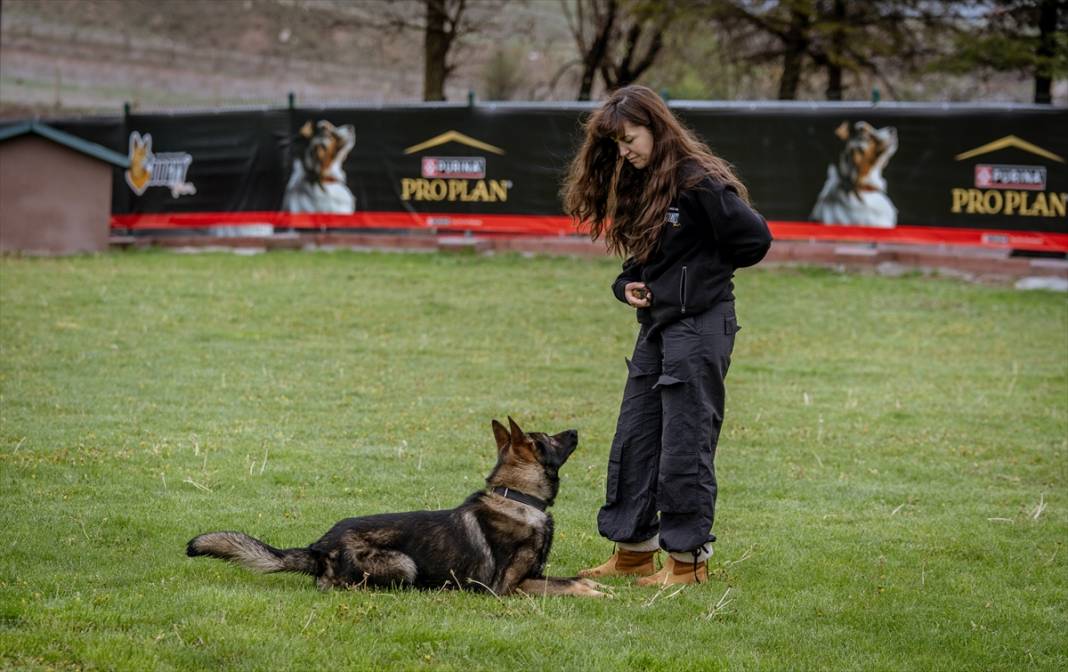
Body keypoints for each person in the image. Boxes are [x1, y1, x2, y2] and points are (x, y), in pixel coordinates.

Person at [562, 85, 772, 586]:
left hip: (700, 326)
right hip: (657, 325)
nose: (623, 152)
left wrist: (694, 280)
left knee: (685, 440)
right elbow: (649, 257)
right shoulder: (647, 182)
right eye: (616, 144)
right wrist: (627, 285)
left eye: (629, 139)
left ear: (655, 128)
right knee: (635, 434)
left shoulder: (700, 180)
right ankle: (633, 550)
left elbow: (754, 239)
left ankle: (687, 561)